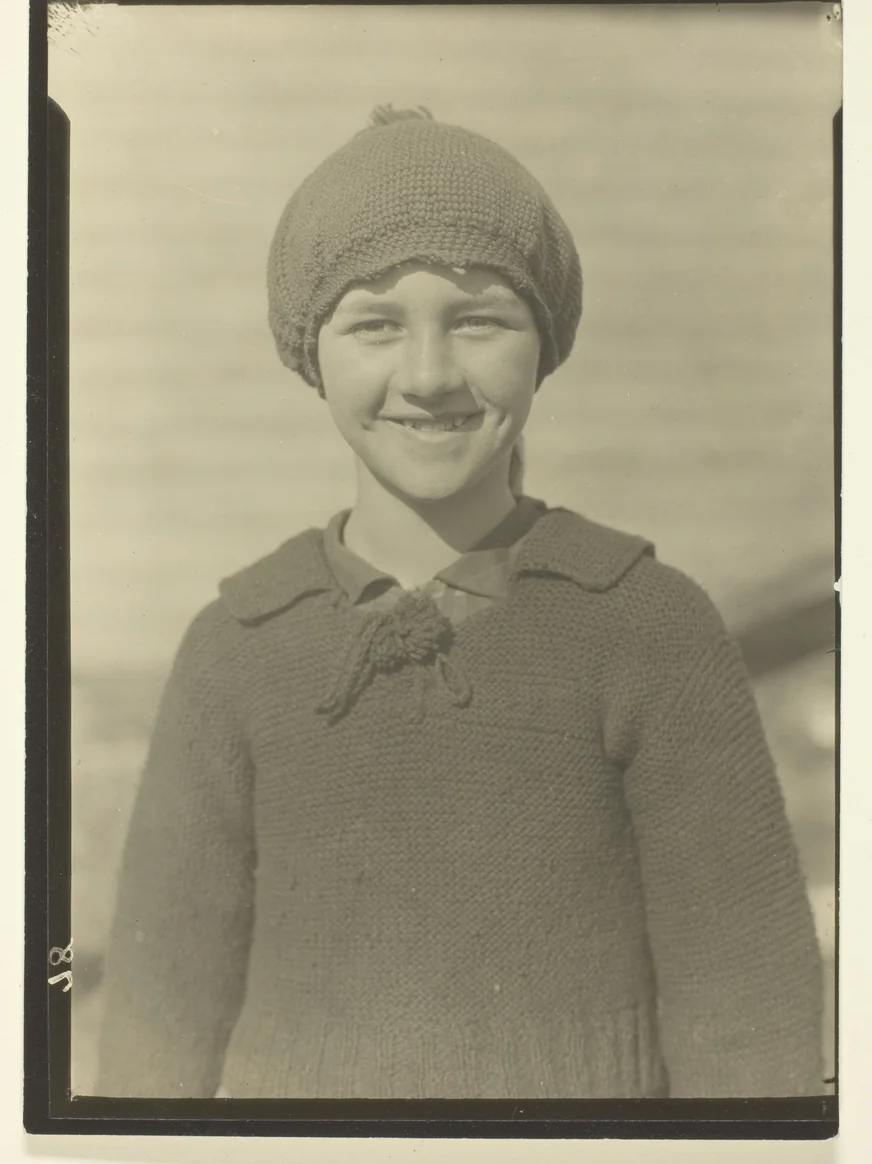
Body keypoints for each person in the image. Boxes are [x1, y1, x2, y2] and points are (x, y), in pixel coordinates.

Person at [95, 106, 824, 1101]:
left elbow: (753, 1029)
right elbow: (149, 1054)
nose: (430, 376)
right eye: (375, 324)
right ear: (311, 352)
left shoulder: (649, 627)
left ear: (543, 343)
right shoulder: (236, 649)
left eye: (479, 320)